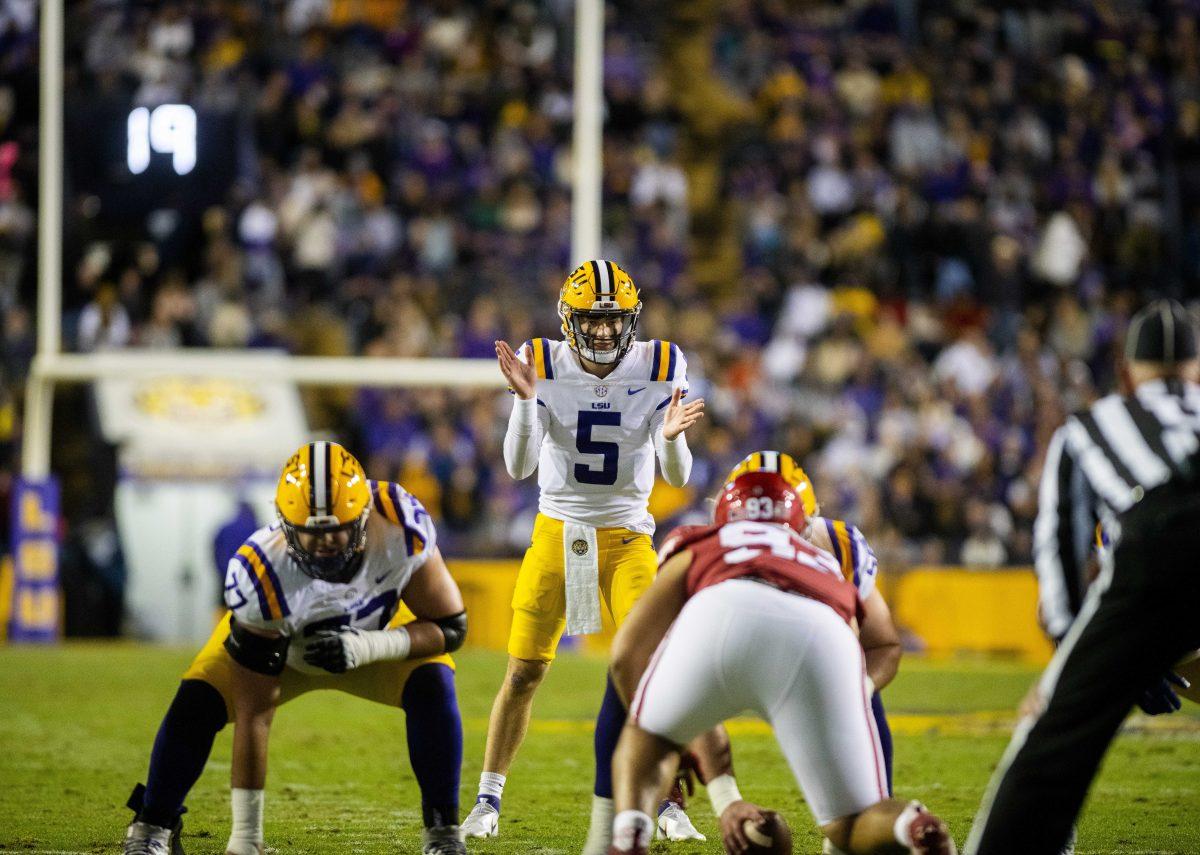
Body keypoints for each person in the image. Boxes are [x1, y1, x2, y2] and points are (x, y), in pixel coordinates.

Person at [460, 259, 707, 848]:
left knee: (655, 669)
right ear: (570, 320)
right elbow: (518, 466)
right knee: (523, 671)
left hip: (628, 537)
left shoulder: (662, 365)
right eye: (592, 321)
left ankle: (670, 801)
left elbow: (677, 470)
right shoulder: (543, 362)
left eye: (613, 320)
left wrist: (671, 438)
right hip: (557, 529)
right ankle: (488, 799)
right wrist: (524, 402)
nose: (602, 332)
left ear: (631, 319)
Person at [122, 442, 468, 855]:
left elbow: (451, 626)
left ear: (363, 516)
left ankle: (443, 834)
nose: (328, 542)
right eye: (313, 531)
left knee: (433, 682)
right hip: (281, 649)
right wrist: (245, 838)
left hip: (369, 641)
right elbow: (255, 715)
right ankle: (153, 826)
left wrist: (371, 646)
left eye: (339, 526)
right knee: (197, 702)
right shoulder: (261, 571)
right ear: (286, 524)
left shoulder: (397, 523)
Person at [605, 456, 955, 855]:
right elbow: (880, 640)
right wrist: (845, 694)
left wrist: (669, 736)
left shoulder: (698, 540)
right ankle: (913, 825)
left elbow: (626, 656)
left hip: (721, 610)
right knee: (852, 824)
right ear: (801, 521)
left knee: (648, 737)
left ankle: (629, 836)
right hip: (821, 632)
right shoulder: (825, 555)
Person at [965, 299, 1200, 854]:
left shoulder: (1092, 425)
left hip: (1158, 544)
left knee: (1050, 739)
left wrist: (1084, 657)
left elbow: (1059, 550)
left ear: (1126, 372)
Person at [659, 451, 903, 854]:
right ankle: (667, 807)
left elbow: (883, 645)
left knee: (865, 706)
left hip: (809, 666)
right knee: (661, 695)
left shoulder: (841, 545)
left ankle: (866, 815)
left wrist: (854, 692)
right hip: (729, 661)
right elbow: (665, 661)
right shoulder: (697, 547)